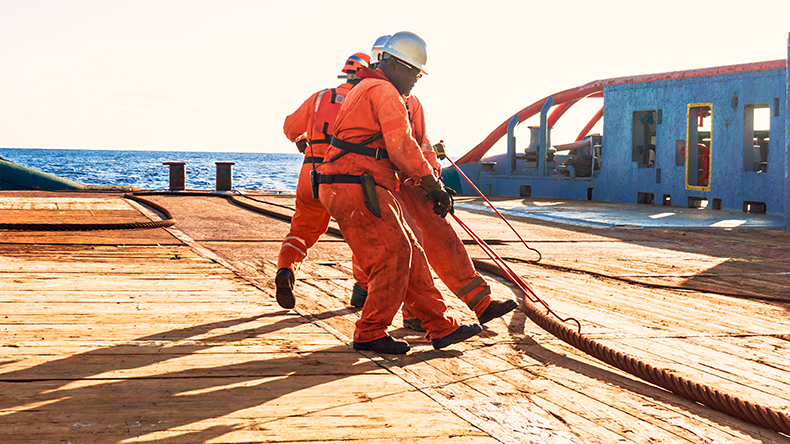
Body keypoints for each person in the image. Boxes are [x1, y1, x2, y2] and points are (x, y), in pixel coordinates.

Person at [316, 31, 482, 354]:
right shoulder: (385, 92)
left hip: (352, 183)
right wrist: (434, 186)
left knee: (410, 252)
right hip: (358, 185)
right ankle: (370, 332)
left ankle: (441, 327)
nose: (416, 79)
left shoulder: (364, 87)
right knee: (393, 255)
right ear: (392, 65)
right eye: (412, 71)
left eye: (418, 73)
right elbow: (402, 147)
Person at [356, 35, 518, 332]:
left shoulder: (411, 103)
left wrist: (435, 180)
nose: (413, 79)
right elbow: (394, 146)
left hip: (414, 183)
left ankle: (481, 303)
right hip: (385, 185)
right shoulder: (373, 95)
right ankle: (414, 316)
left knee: (444, 238)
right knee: (409, 249)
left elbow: (421, 143)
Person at [276, 52, 371, 309]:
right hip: (347, 177)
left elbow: (289, 128)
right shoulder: (366, 101)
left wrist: (302, 139)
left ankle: (286, 270)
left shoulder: (319, 98)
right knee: (361, 232)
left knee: (302, 230)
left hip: (312, 173)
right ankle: (362, 290)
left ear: (345, 73)